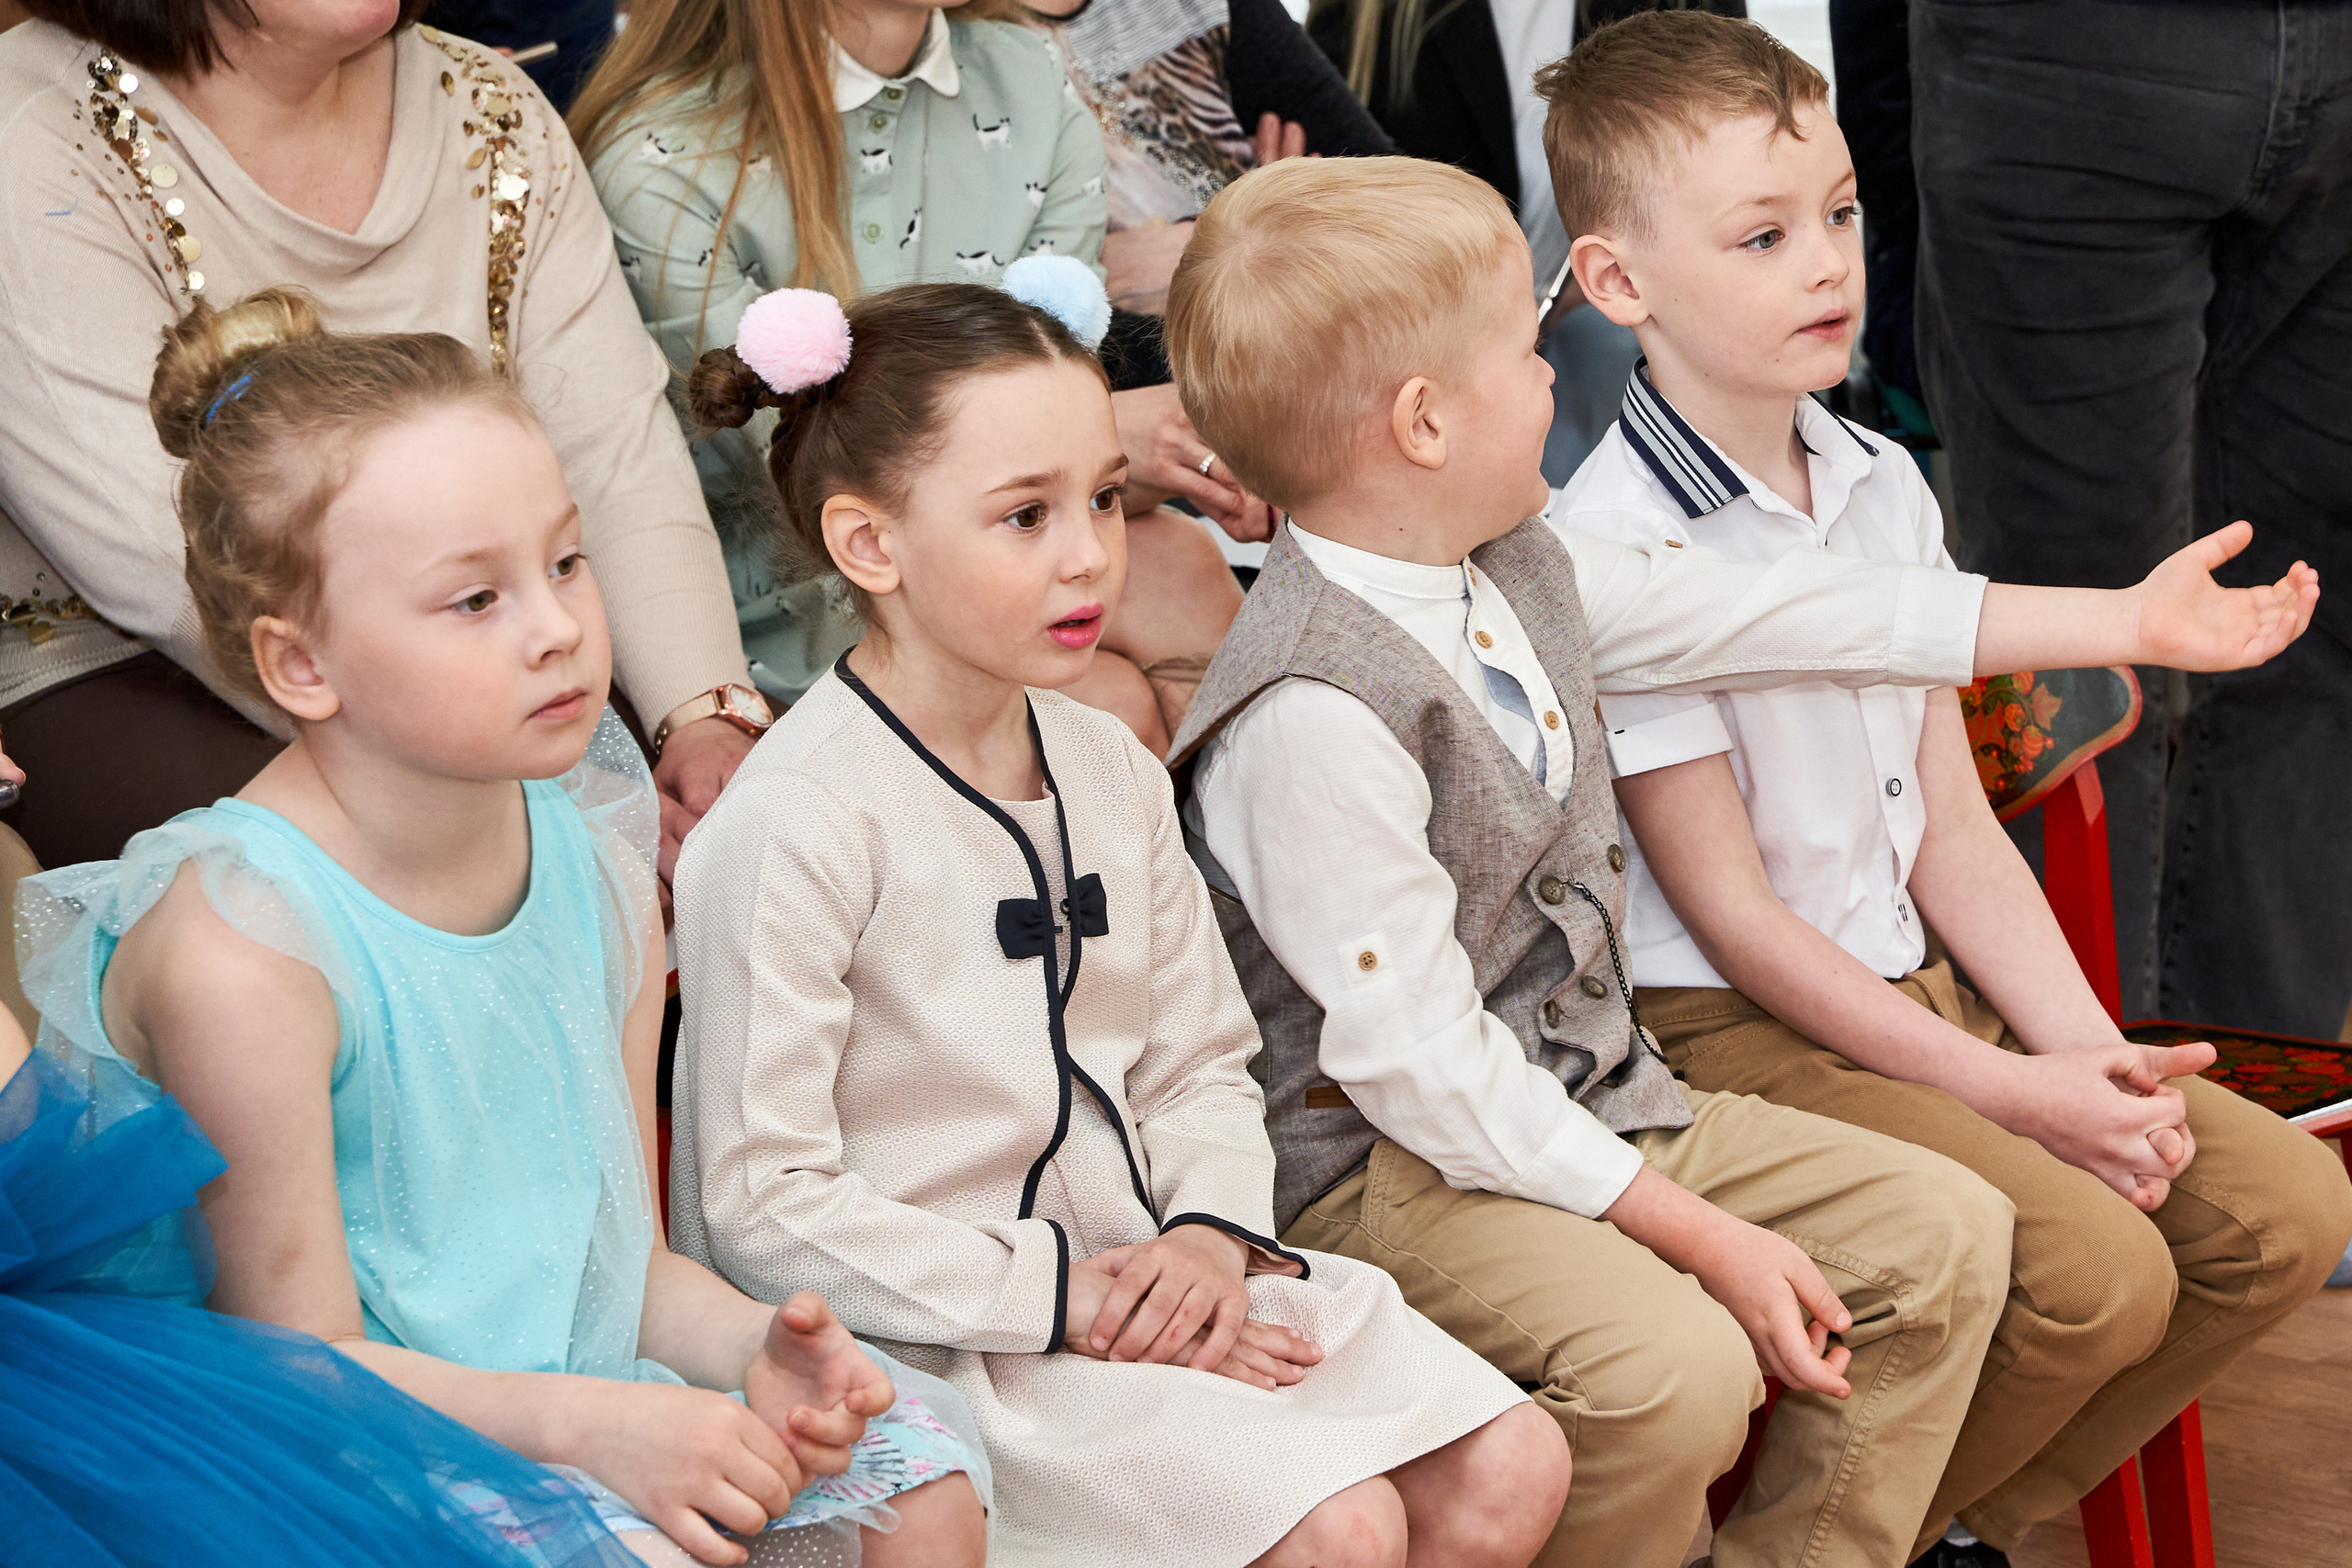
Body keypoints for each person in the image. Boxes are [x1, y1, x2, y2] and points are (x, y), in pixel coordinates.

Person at [1159, 155, 2322, 1568]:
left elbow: (1799, 612)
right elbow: (1419, 1070)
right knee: (1678, 1369)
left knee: (1952, 1235)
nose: (1552, 379)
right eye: (1525, 357)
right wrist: (1697, 1231)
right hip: (1389, 1161)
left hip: (1589, 1089)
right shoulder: (1310, 711)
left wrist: (2126, 621)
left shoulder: (1517, 563)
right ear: (1421, 423)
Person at [1535, 17, 2352, 1568]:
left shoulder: (1880, 480)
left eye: (1841, 214)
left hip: (1922, 988)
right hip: (1739, 1029)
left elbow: (1956, 832)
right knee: (2100, 1271)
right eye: (1764, 236)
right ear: (1618, 284)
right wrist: (2011, 1093)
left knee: (2276, 1216)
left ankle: (1942, 1518)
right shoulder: (1614, 544)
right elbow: (1740, 921)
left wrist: (2086, 1062)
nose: (1828, 264)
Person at [20, 288, 989, 1568]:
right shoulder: (244, 948)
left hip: (581, 1396)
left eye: (567, 560)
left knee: (921, 1479)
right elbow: (300, 1372)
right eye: (476, 599)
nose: (559, 629)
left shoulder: (589, 844)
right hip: (352, 1456)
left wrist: (751, 1351)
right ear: (301, 662)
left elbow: (619, 1265)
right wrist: (604, 1429)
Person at [669, 269, 1572, 1567]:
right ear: (871, 544)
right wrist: (1062, 1293)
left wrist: (1206, 1237)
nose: (1090, 552)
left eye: (1100, 496)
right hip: (943, 1339)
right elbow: (762, 1200)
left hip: (1155, 1278)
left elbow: (1202, 1059)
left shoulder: (1107, 765)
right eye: (1024, 515)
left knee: (1510, 1462)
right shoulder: (797, 820)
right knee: (1341, 1527)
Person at [0, 0, 764, 881]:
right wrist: (569, 809)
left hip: (500, 617)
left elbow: (616, 457)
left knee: (754, 834)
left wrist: (704, 719)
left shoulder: (491, 102)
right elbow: (167, 569)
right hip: (149, 666)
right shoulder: (31, 136)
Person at [573, 0, 1244, 750]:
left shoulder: (1030, 76)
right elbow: (799, 480)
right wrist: (1122, 433)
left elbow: (1049, 391)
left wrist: (1133, 448)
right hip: (816, 579)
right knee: (1106, 705)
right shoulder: (665, 155)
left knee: (1180, 567)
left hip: (1016, 521)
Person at [1910, 0, 2352, 1038]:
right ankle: (2095, 1110)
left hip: (2096, 66)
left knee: (2294, 621)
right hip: (2071, 60)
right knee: (2064, 648)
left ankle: (2240, 1128)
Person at [1, 891, 652, 1568]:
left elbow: (638, 1265)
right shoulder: (227, 954)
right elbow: (297, 1348)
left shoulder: (600, 889)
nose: (14, 776)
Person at [1305, 0, 1740, 480]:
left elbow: (1732, 189)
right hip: (1431, 329)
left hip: (1602, 320)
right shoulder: (1363, 20)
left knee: (1619, 339)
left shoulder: (1681, 10)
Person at [1023, 0, 1394, 387]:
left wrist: (1256, 232)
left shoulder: (1200, 8)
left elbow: (1397, 202)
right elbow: (1007, 337)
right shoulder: (975, 47)